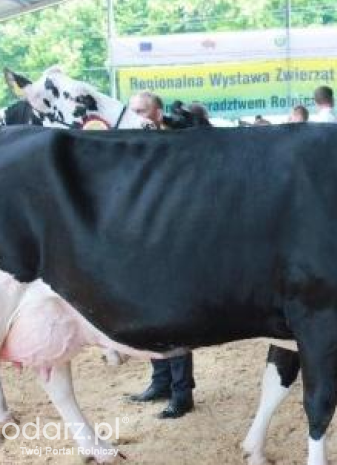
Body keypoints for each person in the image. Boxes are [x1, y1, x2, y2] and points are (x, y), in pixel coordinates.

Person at [124, 91, 197, 420]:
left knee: (173, 316)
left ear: (158, 111)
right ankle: (161, 381)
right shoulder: (133, 140)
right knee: (152, 315)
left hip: (176, 238)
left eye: (143, 110)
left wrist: (165, 126)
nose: (138, 115)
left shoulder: (178, 135)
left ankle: (182, 393)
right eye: (134, 110)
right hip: (146, 237)